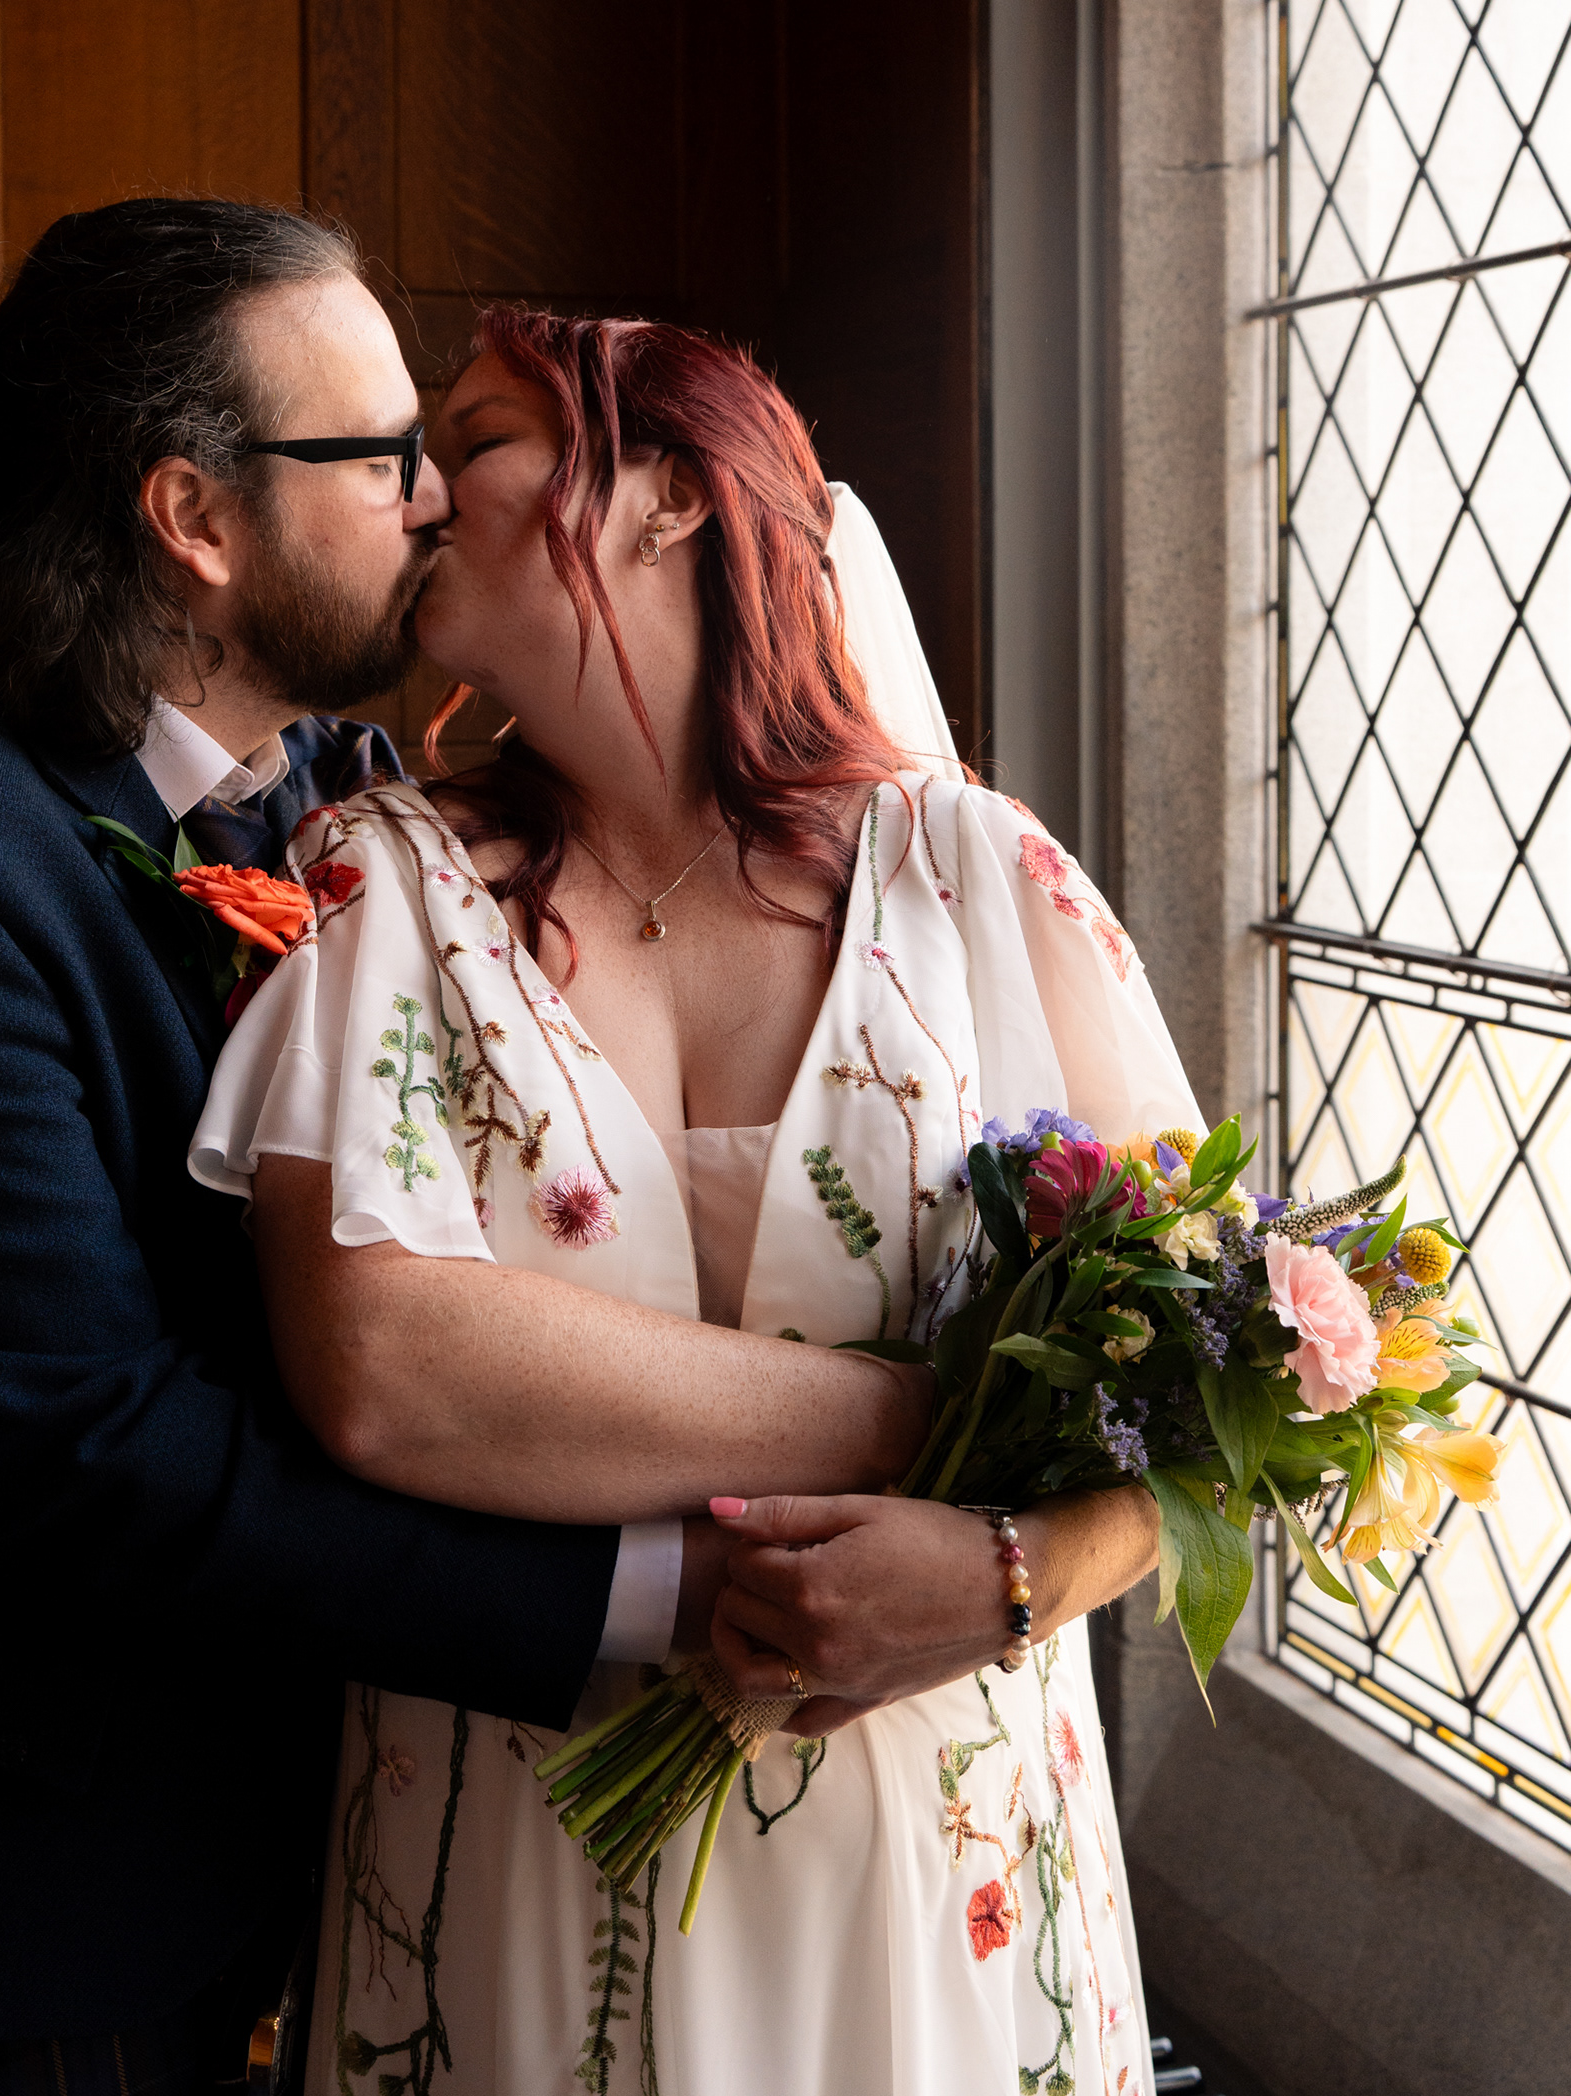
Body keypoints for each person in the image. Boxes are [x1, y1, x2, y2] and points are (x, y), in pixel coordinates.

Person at [0, 201, 980, 2096]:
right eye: (378, 455)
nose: (436, 494)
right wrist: (692, 1589)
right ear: (193, 520)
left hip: (317, 1875)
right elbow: (80, 1454)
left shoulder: (353, 807)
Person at [189, 307, 1190, 2096]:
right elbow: (381, 1366)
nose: (412, 497)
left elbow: (1226, 1383)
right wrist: (940, 1424)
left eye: (473, 442)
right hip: (510, 1833)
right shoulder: (381, 890)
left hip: (930, 1846)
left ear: (660, 496)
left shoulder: (977, 878)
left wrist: (1010, 1572)